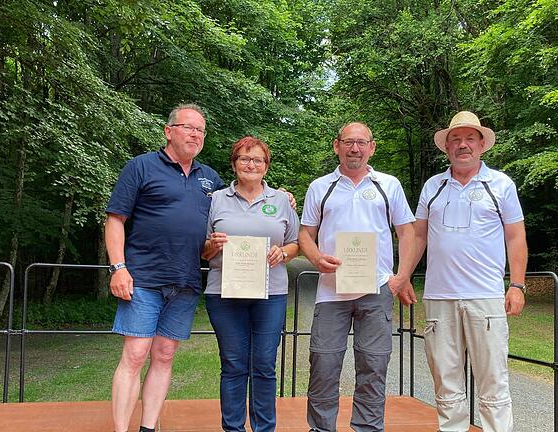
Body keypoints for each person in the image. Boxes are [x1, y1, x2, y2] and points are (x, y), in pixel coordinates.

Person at [105, 103, 224, 432]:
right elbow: (115, 220)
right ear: (168, 131)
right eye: (189, 127)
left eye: (200, 130)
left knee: (165, 355)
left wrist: (281, 198)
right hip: (142, 278)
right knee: (135, 354)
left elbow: (243, 199)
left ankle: (148, 426)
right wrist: (118, 267)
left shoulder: (210, 179)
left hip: (185, 282)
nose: (195, 134)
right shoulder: (141, 167)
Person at [297, 122, 419, 432]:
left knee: (373, 365)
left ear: (372, 147)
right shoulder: (319, 186)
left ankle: (367, 428)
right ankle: (321, 428)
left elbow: (407, 232)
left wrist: (401, 277)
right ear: (336, 146)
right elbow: (305, 234)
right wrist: (315, 257)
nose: (355, 148)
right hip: (330, 291)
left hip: (376, 289)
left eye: (362, 142)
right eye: (349, 142)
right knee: (323, 364)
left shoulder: (388, 184)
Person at [411, 111, 528, 432]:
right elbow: (418, 235)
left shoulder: (501, 184)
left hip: (486, 297)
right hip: (439, 298)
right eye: (456, 139)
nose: (463, 145)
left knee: (493, 381)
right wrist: (403, 275)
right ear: (446, 146)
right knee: (445, 382)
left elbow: (515, 236)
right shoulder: (433, 187)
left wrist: (517, 285)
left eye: (469, 138)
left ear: (481, 144)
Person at [201, 136, 300, 432]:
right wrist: (213, 246)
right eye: (244, 158)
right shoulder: (215, 200)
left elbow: (296, 243)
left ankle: (264, 428)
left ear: (266, 167)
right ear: (233, 164)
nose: (251, 164)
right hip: (223, 292)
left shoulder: (282, 200)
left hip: (271, 294)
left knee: (264, 365)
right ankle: (233, 428)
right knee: (233, 364)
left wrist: (282, 252)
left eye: (258, 160)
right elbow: (202, 250)